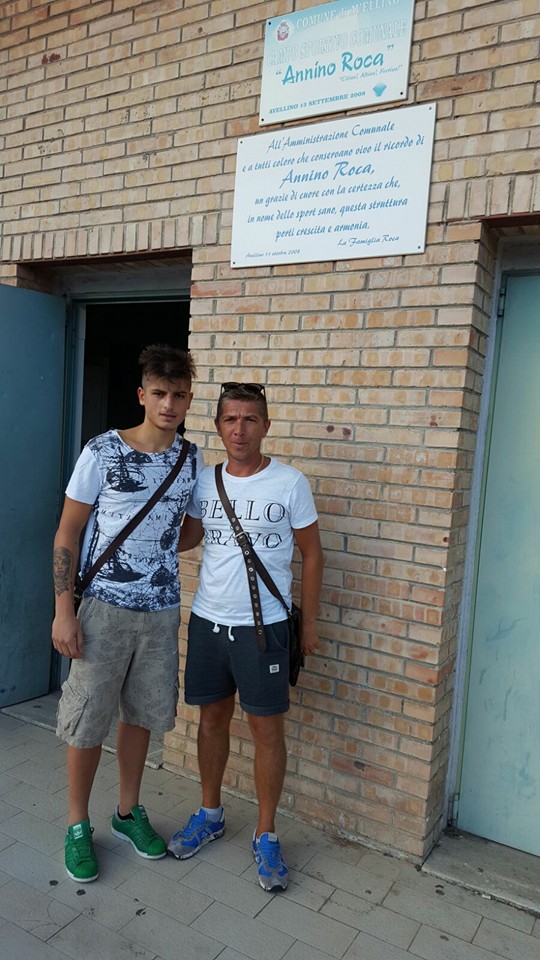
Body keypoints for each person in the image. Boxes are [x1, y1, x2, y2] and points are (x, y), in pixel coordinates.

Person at [52, 344, 202, 883]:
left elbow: (191, 528)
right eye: (159, 393)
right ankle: (77, 825)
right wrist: (63, 610)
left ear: (189, 400)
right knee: (89, 719)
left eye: (179, 395)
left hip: (160, 612)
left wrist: (151, 554)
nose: (169, 404)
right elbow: (68, 532)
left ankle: (127, 811)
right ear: (142, 395)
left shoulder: (191, 459)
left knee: (140, 716)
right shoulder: (102, 450)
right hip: (102, 609)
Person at [167, 381, 323, 891]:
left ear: (266, 426)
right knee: (211, 721)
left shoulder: (290, 483)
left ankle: (266, 833)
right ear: (218, 426)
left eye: (250, 419)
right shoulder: (205, 481)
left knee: (266, 732)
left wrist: (310, 624)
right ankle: (210, 813)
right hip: (208, 622)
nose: (240, 429)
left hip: (265, 629)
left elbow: (312, 554)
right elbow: (190, 536)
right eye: (231, 419)